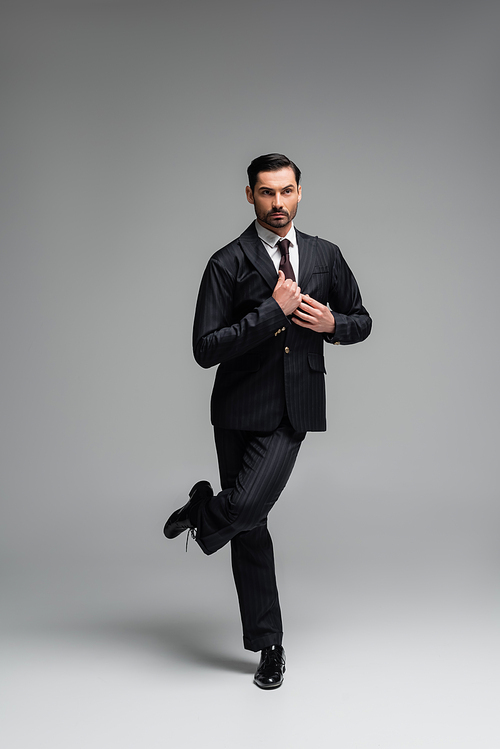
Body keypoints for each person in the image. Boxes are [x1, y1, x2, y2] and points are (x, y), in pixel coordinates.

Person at [164, 153, 372, 689]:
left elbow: (362, 319)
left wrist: (332, 325)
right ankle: (269, 646)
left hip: (291, 408)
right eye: (265, 193)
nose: (277, 204)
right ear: (249, 196)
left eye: (285, 192)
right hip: (236, 410)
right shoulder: (226, 262)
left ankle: (203, 511)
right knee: (251, 528)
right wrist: (270, 313)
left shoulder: (326, 255)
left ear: (300, 192)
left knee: (249, 504)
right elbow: (205, 349)